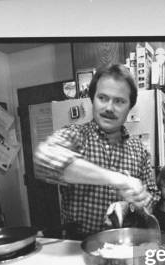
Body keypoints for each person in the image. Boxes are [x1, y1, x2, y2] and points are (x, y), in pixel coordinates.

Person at [34, 64, 158, 238]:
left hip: (125, 246)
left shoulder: (140, 150)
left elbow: (152, 197)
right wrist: (120, 180)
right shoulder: (76, 135)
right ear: (92, 98)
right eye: (102, 98)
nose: (109, 107)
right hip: (78, 247)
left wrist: (133, 204)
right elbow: (44, 158)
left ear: (130, 107)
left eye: (119, 101)